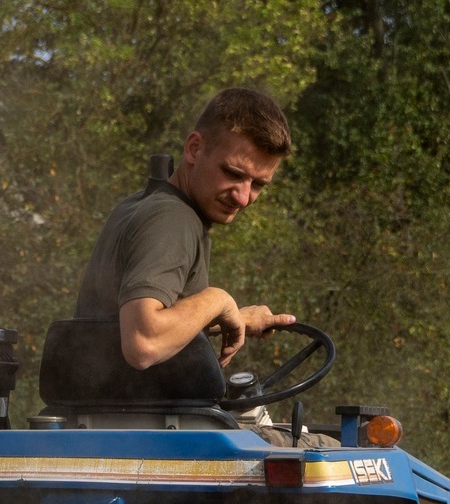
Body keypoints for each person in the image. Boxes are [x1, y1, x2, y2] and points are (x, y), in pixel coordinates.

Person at [75, 87, 297, 371]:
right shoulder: (173, 219)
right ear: (194, 149)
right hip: (133, 415)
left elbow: (124, 329)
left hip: (111, 407)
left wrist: (233, 317)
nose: (243, 197)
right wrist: (217, 300)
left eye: (258, 185)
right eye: (233, 173)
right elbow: (143, 343)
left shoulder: (145, 204)